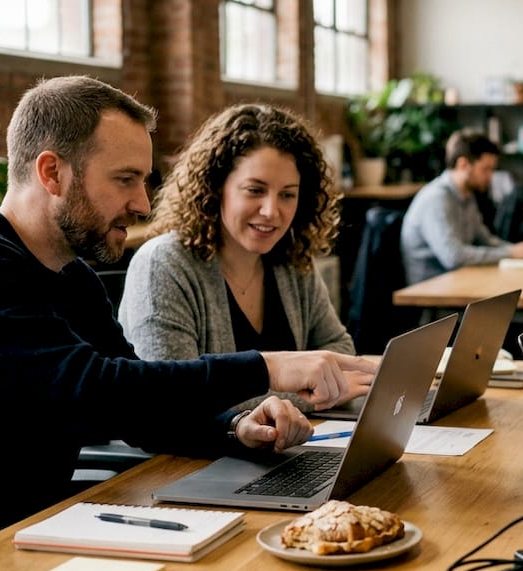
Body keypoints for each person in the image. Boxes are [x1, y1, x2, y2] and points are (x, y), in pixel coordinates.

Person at [0, 76, 376, 555]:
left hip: (19, 531)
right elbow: (88, 390)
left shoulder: (70, 275)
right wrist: (267, 367)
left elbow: (135, 407)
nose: (143, 203)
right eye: (125, 179)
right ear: (52, 172)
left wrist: (235, 429)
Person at [119, 103, 357, 411]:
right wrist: (305, 397)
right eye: (255, 190)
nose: (272, 211)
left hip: (289, 445)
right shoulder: (164, 264)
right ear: (216, 188)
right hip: (190, 457)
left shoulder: (291, 259)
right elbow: (173, 401)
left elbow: (340, 351)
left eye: (287, 194)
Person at [400, 130, 523, 285]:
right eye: (486, 169)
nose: (490, 176)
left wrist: (519, 250)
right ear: (463, 164)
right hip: (432, 292)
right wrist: (510, 253)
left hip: (459, 282)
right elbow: (453, 257)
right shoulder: (437, 199)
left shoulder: (467, 196)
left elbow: (484, 239)